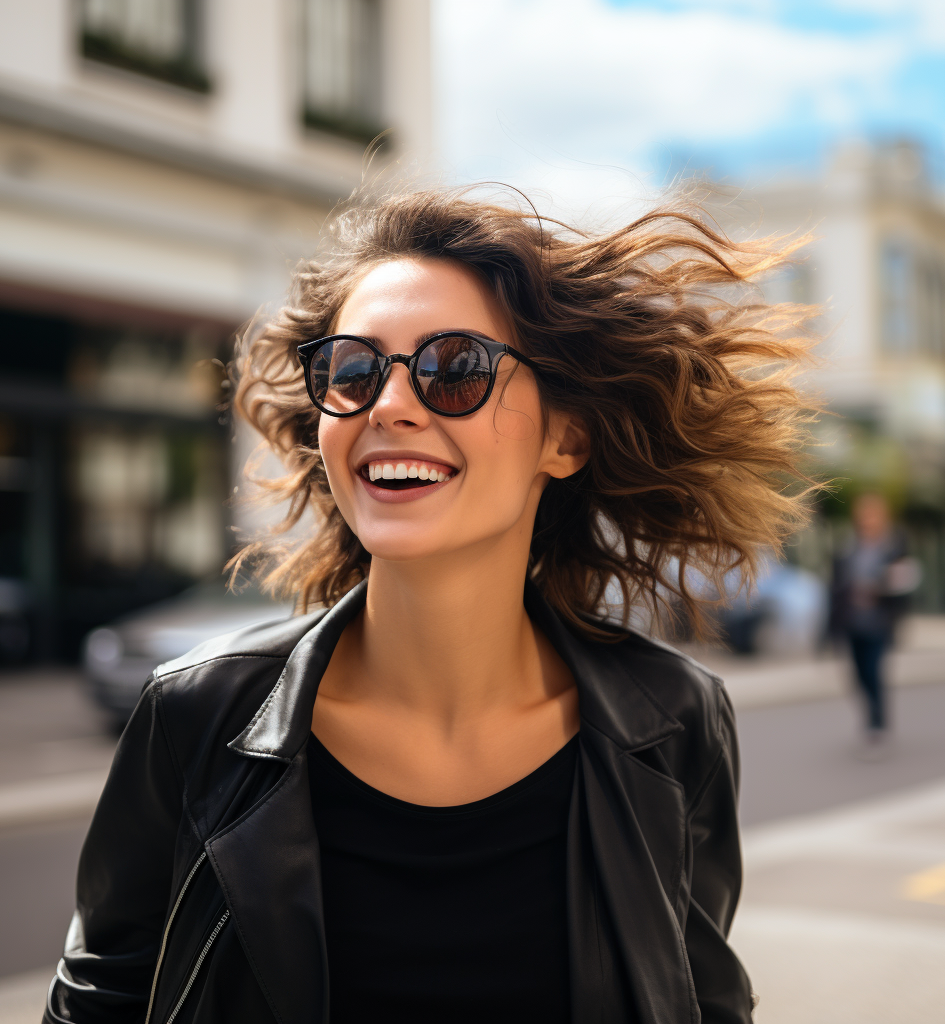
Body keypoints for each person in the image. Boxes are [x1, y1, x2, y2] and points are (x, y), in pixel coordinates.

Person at [44, 187, 815, 1024]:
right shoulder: (194, 716)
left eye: (455, 369)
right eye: (353, 370)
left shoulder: (672, 724)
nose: (389, 405)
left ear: (566, 438)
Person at [831, 492, 918, 743]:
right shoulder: (848, 545)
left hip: (880, 620)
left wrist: (879, 587)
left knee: (874, 671)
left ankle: (877, 723)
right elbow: (836, 585)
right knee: (858, 674)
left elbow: (905, 579)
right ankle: (871, 718)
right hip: (853, 621)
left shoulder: (894, 546)